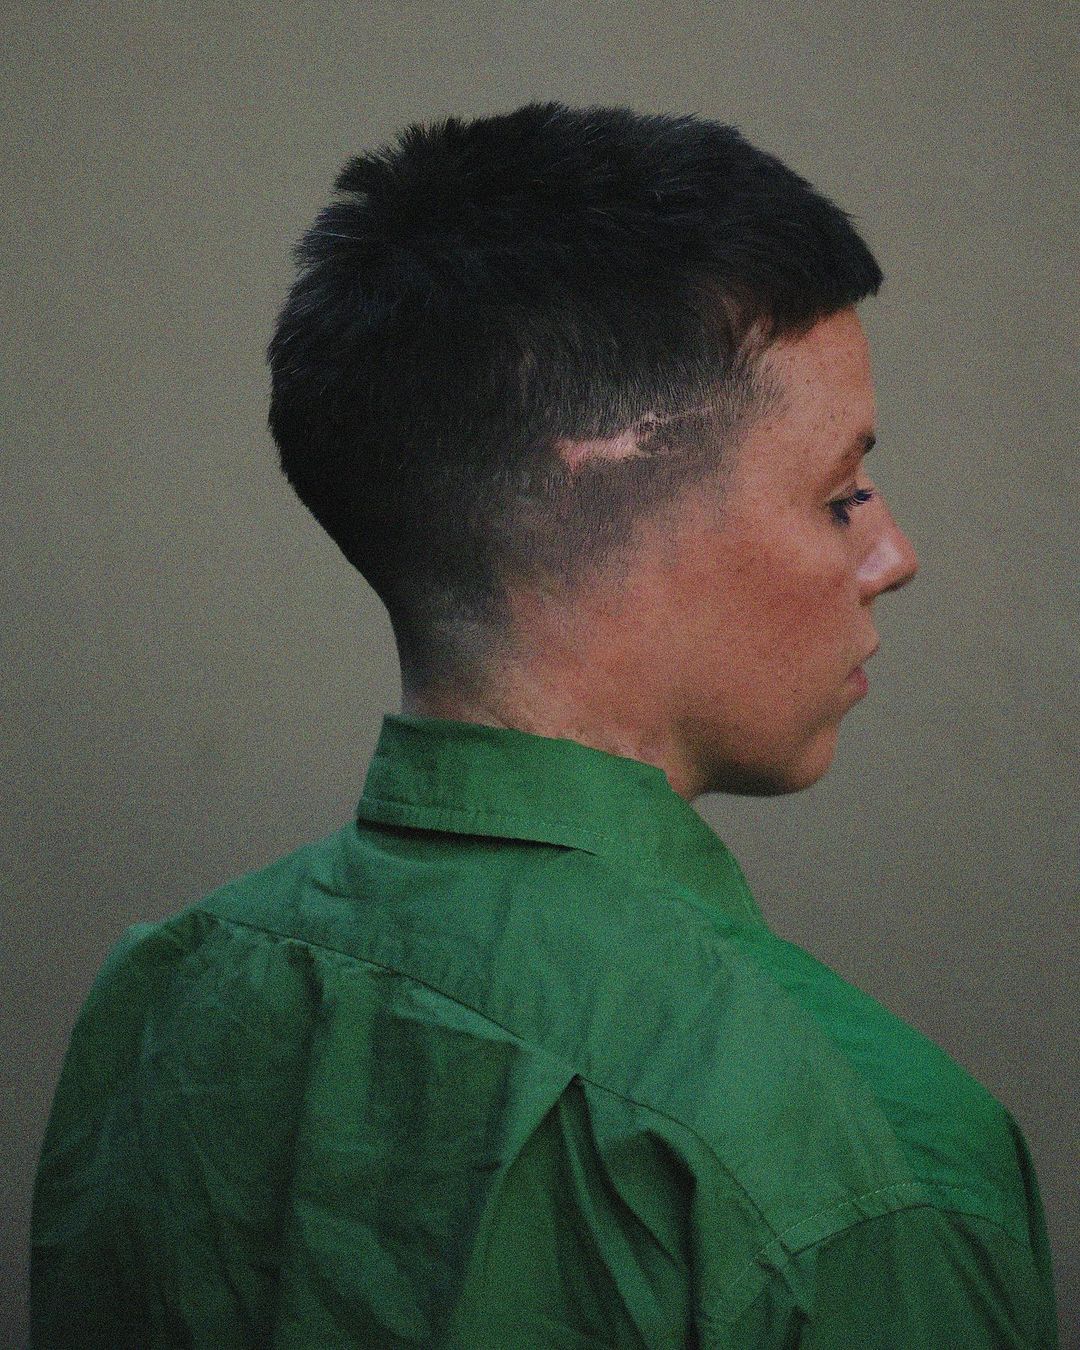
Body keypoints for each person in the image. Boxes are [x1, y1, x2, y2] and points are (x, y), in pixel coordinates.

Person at [30, 103, 1057, 1347]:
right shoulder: (865, 1162)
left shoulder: (162, 1003)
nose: (893, 556)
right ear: (609, 494)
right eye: (841, 494)